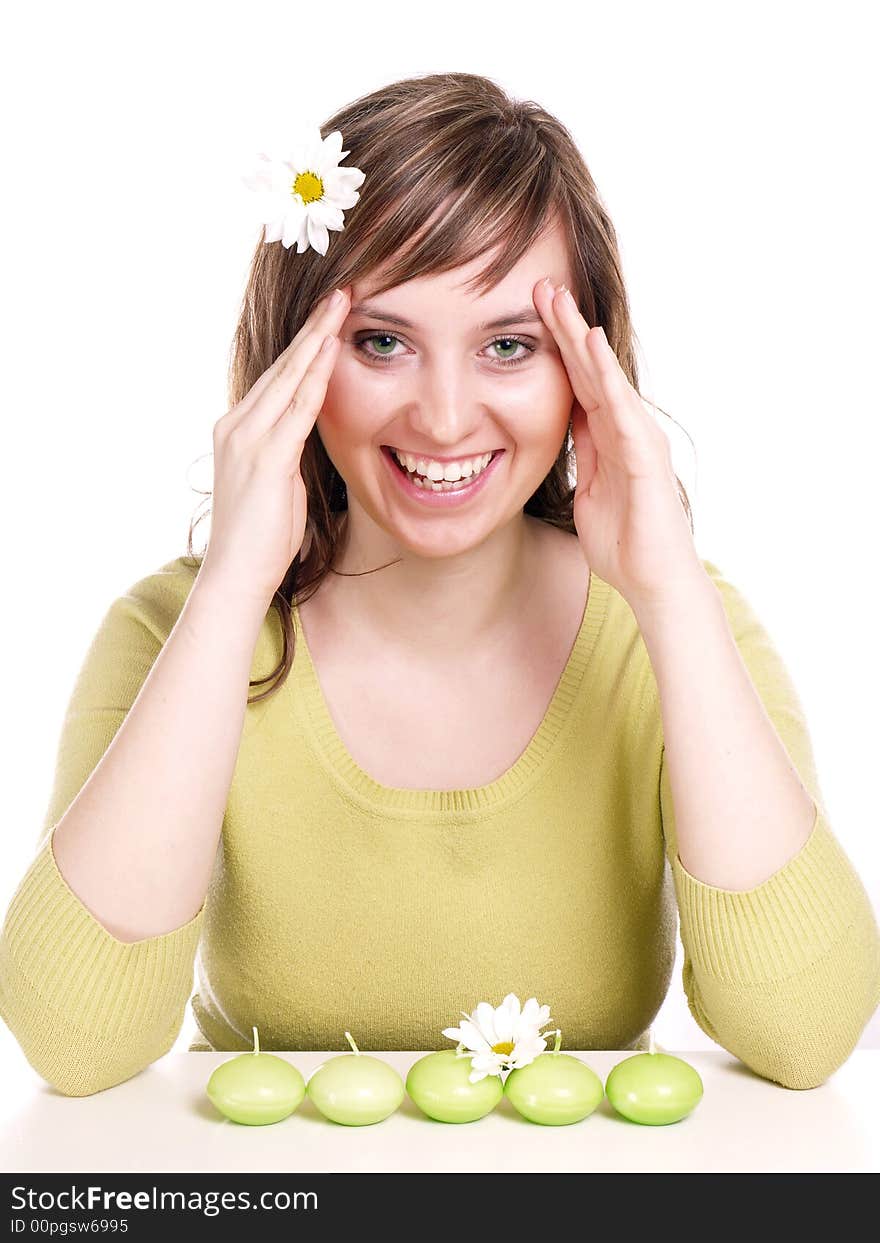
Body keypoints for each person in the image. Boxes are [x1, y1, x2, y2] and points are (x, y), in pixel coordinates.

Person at [1, 72, 878, 1098]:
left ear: (586, 375)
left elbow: (808, 1033)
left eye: (510, 345)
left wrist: (667, 588)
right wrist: (238, 579)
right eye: (382, 342)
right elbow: (75, 1045)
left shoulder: (678, 624)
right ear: (299, 359)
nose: (447, 417)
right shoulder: (168, 630)